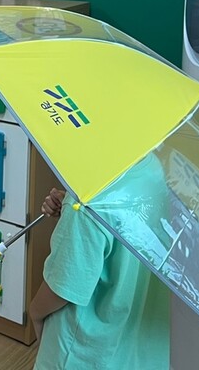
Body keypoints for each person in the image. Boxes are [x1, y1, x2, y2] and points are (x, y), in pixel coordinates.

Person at [29, 157, 170, 370]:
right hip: (142, 350)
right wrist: (71, 211)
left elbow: (63, 288)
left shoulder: (88, 199)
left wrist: (35, 312)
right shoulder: (152, 167)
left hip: (86, 355)